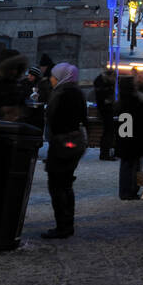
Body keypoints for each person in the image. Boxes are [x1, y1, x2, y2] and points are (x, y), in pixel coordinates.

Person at [42, 63, 88, 239]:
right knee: (65, 184)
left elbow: (57, 121)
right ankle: (66, 224)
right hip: (72, 143)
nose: (51, 79)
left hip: (63, 144)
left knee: (57, 185)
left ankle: (63, 226)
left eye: (54, 76)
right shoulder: (76, 92)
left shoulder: (63, 94)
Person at [115, 76, 143, 200]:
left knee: (126, 165)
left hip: (125, 138)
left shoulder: (122, 101)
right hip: (131, 139)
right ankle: (129, 191)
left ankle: (126, 191)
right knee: (132, 165)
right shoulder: (133, 101)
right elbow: (136, 120)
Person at [93, 67, 117, 160]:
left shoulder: (105, 82)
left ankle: (105, 153)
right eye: (113, 77)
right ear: (109, 76)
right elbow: (103, 96)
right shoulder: (101, 82)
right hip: (105, 109)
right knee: (108, 131)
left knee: (108, 131)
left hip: (106, 109)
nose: (114, 80)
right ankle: (105, 153)